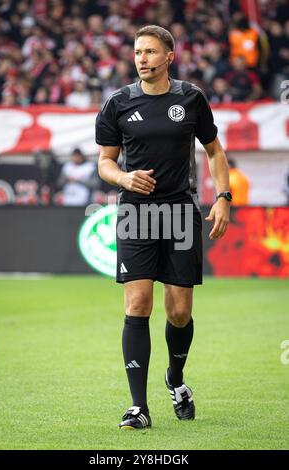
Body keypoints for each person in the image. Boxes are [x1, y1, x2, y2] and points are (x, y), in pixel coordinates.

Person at [95, 25, 231, 430]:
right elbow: (105, 161)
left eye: (151, 52)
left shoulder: (190, 98)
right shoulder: (117, 103)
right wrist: (123, 178)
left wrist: (223, 197)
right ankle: (138, 407)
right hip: (135, 213)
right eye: (138, 52)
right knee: (137, 305)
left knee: (180, 312)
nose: (142, 58)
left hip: (180, 213)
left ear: (169, 56)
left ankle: (175, 378)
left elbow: (214, 150)